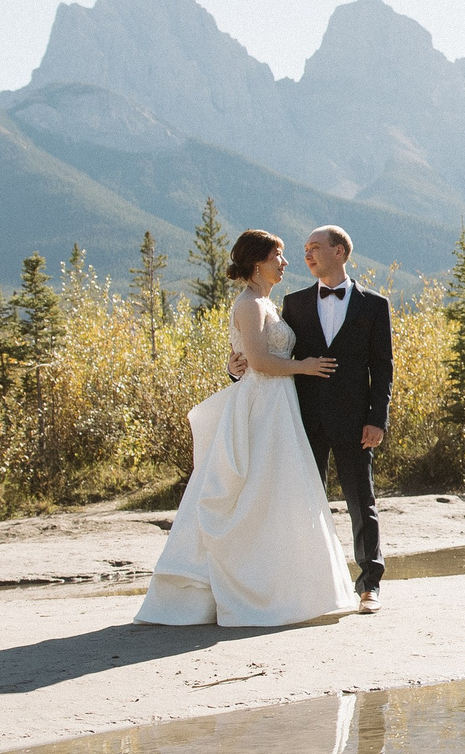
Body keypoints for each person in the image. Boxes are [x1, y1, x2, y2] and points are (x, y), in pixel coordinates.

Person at [136, 230, 357, 627]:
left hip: (277, 405)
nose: (285, 263)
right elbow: (258, 361)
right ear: (258, 262)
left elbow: (245, 356)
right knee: (258, 491)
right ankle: (255, 590)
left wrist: (234, 364)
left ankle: (284, 586)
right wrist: (304, 366)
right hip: (262, 405)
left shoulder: (265, 304)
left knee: (276, 493)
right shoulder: (250, 304)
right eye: (279, 255)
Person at [273, 226, 394, 613]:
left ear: (339, 252)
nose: (306, 256)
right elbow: (273, 354)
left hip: (356, 422)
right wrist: (236, 367)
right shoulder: (293, 304)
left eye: (314, 248)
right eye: (304, 250)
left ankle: (369, 585)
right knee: (307, 500)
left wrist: (378, 419)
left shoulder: (374, 305)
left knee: (362, 502)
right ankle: (310, 584)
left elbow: (383, 368)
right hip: (304, 420)